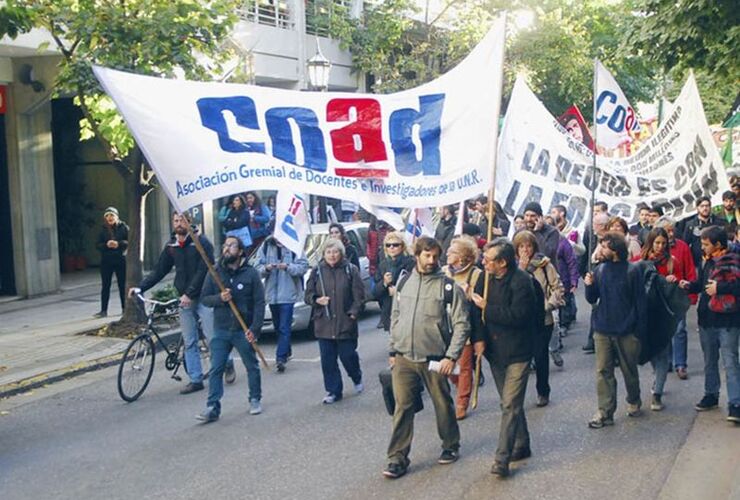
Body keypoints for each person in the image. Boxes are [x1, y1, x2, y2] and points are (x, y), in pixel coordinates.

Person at [383, 236, 471, 479]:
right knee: (403, 408)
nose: (431, 260)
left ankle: (450, 445)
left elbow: (462, 325)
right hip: (403, 357)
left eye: (435, 256)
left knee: (442, 404)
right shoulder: (403, 283)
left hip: (435, 359)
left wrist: (451, 357)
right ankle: (397, 458)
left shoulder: (448, 287)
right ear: (417, 255)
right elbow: (395, 316)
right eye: (426, 255)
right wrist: (393, 350)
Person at [129, 213, 229, 393]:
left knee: (212, 336)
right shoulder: (171, 246)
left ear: (190, 222)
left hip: (203, 296)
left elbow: (204, 271)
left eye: (182, 220)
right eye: (175, 221)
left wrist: (190, 293)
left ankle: (226, 363)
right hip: (184, 298)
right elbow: (159, 271)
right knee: (189, 340)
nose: (178, 224)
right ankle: (196, 379)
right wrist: (140, 287)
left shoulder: (201, 243)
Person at [470, 239, 537, 478]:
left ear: (503, 263)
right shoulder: (483, 279)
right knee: (510, 403)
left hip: (518, 351)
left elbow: (518, 316)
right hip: (494, 352)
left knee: (509, 404)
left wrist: (487, 307)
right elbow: (475, 314)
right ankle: (522, 442)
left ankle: (502, 458)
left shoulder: (522, 282)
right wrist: (478, 339)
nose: (484, 263)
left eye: (489, 260)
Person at [196, 236, 265, 422]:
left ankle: (255, 398)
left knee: (251, 365)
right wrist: (220, 298)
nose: (227, 249)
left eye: (232, 245)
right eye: (225, 245)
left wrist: (255, 328)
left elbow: (259, 302)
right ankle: (212, 407)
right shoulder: (215, 272)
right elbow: (205, 299)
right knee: (216, 368)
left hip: (243, 328)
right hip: (221, 329)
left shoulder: (251, 274)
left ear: (241, 251)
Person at [584, 232, 646, 428]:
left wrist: (638, 330)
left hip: (626, 329)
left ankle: (634, 400)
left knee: (629, 370)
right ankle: (605, 411)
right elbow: (592, 299)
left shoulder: (632, 271)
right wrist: (589, 285)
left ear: (616, 250)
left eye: (605, 246)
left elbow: (640, 302)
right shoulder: (600, 270)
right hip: (602, 327)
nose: (601, 250)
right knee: (603, 371)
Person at [678, 226, 740, 423]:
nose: (702, 248)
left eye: (706, 244)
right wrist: (688, 285)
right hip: (707, 318)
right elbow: (703, 285)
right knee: (709, 360)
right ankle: (711, 394)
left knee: (730, 362)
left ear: (718, 245)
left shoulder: (733, 260)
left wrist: (720, 287)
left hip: (728, 320)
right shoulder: (706, 261)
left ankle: (735, 403)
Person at [305, 239, 365, 404]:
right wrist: (317, 299)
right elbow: (308, 295)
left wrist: (353, 314)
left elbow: (359, 296)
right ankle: (333, 390)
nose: (332, 255)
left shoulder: (350, 270)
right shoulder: (317, 271)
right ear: (324, 254)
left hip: (345, 322)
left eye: (335, 252)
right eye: (328, 252)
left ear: (341, 253)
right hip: (324, 324)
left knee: (348, 356)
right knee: (328, 360)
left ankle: (356, 375)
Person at [513, 231, 565, 406]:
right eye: (521, 246)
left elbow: (557, 287)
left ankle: (543, 391)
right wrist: (521, 269)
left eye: (528, 246)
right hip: (520, 320)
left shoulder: (544, 265)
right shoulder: (511, 268)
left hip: (543, 319)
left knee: (540, 355)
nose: (525, 250)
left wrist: (548, 306)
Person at [637, 228, 685, 411]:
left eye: (663, 243)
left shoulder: (673, 263)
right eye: (657, 243)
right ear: (650, 242)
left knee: (663, 353)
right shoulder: (639, 263)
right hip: (646, 313)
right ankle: (658, 377)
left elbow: (680, 286)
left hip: (664, 314)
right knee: (651, 351)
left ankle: (657, 393)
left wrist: (673, 281)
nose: (660, 247)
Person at [443, 236, 483, 420]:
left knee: (465, 365)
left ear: (462, 257)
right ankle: (460, 385)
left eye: (452, 252)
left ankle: (462, 402)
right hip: (445, 326)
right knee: (450, 367)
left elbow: (479, 302)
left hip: (464, 327)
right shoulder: (443, 272)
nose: (447, 254)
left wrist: (469, 295)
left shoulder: (475, 274)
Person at [256, 236, 309, 373]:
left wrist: (288, 267)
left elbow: (303, 267)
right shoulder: (266, 246)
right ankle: (286, 349)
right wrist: (266, 269)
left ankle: (280, 358)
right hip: (272, 295)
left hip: (288, 294)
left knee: (285, 326)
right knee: (278, 325)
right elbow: (256, 268)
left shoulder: (294, 246)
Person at [655, 216, 697, 380]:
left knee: (679, 330)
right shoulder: (655, 249)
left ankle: (681, 364)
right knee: (665, 329)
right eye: (667, 231)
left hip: (678, 295)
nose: (671, 234)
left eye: (672, 230)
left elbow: (690, 269)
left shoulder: (682, 246)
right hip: (660, 296)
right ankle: (667, 362)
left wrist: (692, 293)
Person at [373, 232, 415, 334]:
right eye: (388, 245)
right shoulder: (383, 265)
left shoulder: (411, 263)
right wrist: (384, 283)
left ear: (403, 246)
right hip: (390, 311)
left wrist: (398, 290)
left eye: (395, 245)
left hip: (407, 310)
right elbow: (375, 293)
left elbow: (415, 285)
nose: (392, 247)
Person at [581, 212, 610, 354]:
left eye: (595, 224)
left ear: (602, 226)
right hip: (594, 277)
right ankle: (593, 339)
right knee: (595, 308)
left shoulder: (609, 240)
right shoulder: (593, 237)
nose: (593, 227)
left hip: (605, 278)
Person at [94, 207, 128, 318]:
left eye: (111, 215)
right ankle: (103, 310)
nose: (109, 218)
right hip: (106, 260)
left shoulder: (124, 228)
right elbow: (97, 245)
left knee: (122, 285)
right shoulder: (102, 229)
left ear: (116, 216)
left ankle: (124, 308)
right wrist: (106, 245)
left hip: (120, 259)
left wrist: (119, 244)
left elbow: (130, 241)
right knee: (105, 286)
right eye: (107, 216)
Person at [682, 196, 726, 270]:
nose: (705, 208)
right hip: (697, 263)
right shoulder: (690, 225)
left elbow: (724, 243)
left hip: (717, 262)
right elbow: (685, 244)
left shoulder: (719, 222)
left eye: (707, 206)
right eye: (702, 206)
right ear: (697, 208)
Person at [520, 202, 560, 266]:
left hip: (545, 272)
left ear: (540, 217)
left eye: (532, 216)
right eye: (526, 215)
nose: (529, 219)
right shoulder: (520, 231)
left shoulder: (552, 232)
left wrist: (536, 232)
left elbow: (547, 253)